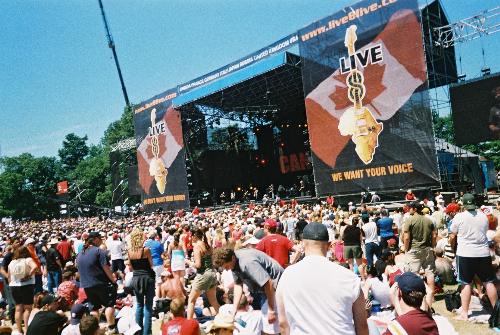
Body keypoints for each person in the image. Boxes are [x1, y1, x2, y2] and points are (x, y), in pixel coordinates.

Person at [276, 222, 368, 335]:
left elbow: (283, 324)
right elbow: (362, 325)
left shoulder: (287, 275)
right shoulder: (349, 277)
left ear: (303, 244)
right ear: (329, 245)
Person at [212, 247, 284, 335]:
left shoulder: (247, 263)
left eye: (226, 266)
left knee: (271, 326)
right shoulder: (233, 262)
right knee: (266, 325)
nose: (226, 269)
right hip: (264, 290)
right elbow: (238, 285)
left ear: (233, 258)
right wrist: (235, 309)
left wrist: (271, 310)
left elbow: (268, 283)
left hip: (278, 288)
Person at [449, 193, 497, 320]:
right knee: (488, 282)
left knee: (466, 283)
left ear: (463, 204)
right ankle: (496, 311)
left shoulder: (459, 217)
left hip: (465, 253)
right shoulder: (484, 217)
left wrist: (453, 247)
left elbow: (453, 236)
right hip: (483, 252)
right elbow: (484, 231)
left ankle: (464, 313)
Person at [76, 232, 117, 334]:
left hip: (86, 285)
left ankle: (94, 330)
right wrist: (113, 280)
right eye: (100, 238)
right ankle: (111, 328)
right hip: (100, 283)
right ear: (94, 239)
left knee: (94, 308)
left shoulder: (80, 254)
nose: (102, 240)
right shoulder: (99, 251)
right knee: (109, 305)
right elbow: (106, 268)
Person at [402, 202, 437, 308]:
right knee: (430, 274)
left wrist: (406, 249)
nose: (408, 210)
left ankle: (415, 297)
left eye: (410, 208)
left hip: (414, 250)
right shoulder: (428, 220)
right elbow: (434, 235)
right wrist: (432, 246)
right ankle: (432, 297)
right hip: (427, 249)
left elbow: (406, 237)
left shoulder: (410, 220)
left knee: (413, 274)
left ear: (414, 209)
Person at [186, 229, 220, 319]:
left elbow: (198, 265)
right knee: (213, 301)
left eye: (191, 235)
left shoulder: (197, 246)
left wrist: (188, 262)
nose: (190, 237)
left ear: (195, 236)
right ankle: (223, 319)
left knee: (191, 300)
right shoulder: (207, 245)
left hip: (203, 275)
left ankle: (188, 323)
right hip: (212, 273)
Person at [128, 229, 155, 335]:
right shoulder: (146, 250)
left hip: (136, 278)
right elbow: (151, 264)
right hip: (147, 277)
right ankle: (147, 332)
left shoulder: (130, 251)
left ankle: (137, 331)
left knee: (139, 305)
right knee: (148, 306)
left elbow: (131, 268)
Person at [8, 245, 38, 334]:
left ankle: (19, 330)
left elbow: (9, 277)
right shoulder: (27, 259)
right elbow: (35, 267)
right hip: (27, 285)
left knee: (18, 308)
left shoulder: (12, 262)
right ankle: (27, 330)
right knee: (28, 308)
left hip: (14, 286)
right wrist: (28, 276)